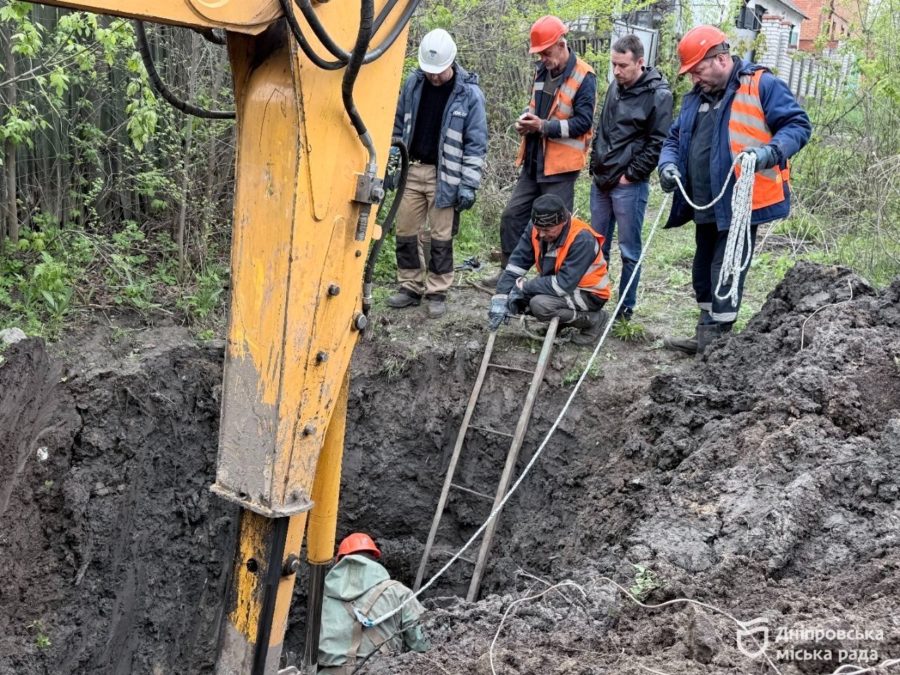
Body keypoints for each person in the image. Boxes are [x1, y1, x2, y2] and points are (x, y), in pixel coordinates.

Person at [657, 25, 811, 354]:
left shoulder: (761, 85)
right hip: (703, 201)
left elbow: (798, 125)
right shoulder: (695, 98)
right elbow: (674, 138)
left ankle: (717, 346)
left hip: (740, 202)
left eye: (698, 70)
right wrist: (667, 165)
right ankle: (705, 334)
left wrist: (771, 152)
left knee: (724, 270)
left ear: (721, 59)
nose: (694, 78)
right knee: (702, 270)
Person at [482, 15, 597, 288]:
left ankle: (549, 285)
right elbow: (536, 106)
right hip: (534, 161)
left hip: (560, 168)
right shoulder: (542, 71)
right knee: (512, 216)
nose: (543, 58)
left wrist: (543, 126)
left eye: (546, 52)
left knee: (555, 226)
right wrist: (526, 120)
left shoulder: (584, 76)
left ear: (561, 44)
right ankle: (509, 274)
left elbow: (583, 123)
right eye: (540, 54)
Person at [386, 29, 488, 319]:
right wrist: (393, 158)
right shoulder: (413, 84)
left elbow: (476, 143)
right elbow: (398, 123)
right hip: (412, 168)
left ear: (451, 62)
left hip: (445, 175)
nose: (433, 76)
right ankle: (410, 286)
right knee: (406, 231)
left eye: (438, 71)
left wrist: (469, 184)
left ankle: (437, 291)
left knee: (441, 236)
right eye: (429, 71)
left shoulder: (469, 95)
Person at [590, 34, 672, 322]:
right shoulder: (615, 85)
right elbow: (602, 127)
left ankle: (624, 310)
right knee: (596, 247)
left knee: (629, 251)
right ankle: (593, 303)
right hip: (601, 180)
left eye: (623, 65)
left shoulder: (659, 95)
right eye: (613, 64)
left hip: (628, 185)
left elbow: (658, 143)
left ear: (640, 62)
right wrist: (594, 162)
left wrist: (631, 175)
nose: (616, 71)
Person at [488, 194, 611, 345]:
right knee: (517, 300)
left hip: (589, 294)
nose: (540, 234)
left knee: (540, 305)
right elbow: (517, 263)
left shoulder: (582, 238)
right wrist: (501, 296)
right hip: (560, 285)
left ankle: (594, 320)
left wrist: (525, 287)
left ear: (563, 221)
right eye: (538, 229)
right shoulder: (535, 228)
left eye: (547, 229)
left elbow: (563, 285)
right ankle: (561, 320)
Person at [318, 533, 428, 674]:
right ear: (374, 558)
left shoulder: (321, 599)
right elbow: (421, 643)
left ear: (339, 562)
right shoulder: (397, 591)